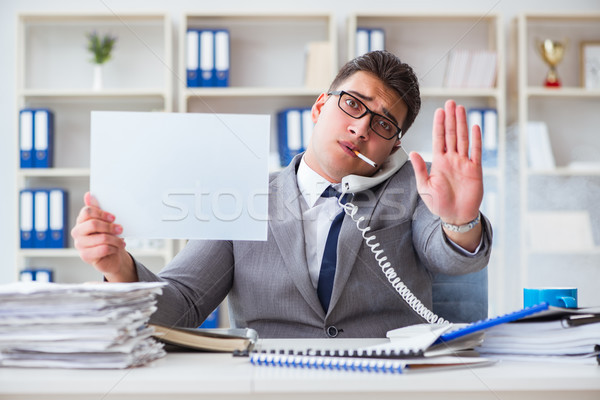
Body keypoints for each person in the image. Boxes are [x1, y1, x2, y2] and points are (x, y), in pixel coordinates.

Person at [71, 50, 492, 338]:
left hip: (384, 383)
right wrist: (119, 268)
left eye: (384, 124)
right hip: (271, 383)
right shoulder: (242, 193)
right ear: (319, 108)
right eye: (353, 104)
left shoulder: (414, 190)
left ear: (393, 146)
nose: (362, 128)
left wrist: (460, 221)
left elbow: (447, 255)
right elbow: (181, 306)